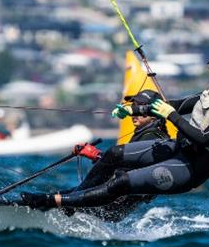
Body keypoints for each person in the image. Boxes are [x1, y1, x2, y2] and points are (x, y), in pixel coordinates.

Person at [20, 47, 209, 212]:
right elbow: (173, 105)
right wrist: (134, 111)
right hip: (178, 149)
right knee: (115, 154)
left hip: (192, 168)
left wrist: (172, 116)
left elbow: (203, 138)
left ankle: (57, 202)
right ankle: (74, 201)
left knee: (121, 182)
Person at [58, 89, 170, 221]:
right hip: (115, 205)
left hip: (112, 204)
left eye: (140, 107)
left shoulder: (152, 137)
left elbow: (131, 168)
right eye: (134, 106)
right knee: (60, 196)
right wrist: (96, 155)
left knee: (55, 200)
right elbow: (128, 162)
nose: (135, 111)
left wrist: (97, 155)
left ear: (154, 113)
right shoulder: (149, 134)